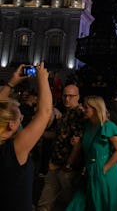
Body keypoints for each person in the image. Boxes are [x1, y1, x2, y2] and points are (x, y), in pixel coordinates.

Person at [0, 62, 53, 211]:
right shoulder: (13, 151)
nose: (22, 116)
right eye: (19, 116)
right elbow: (45, 112)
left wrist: (11, 82)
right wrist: (43, 78)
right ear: (11, 124)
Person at [66, 95, 117, 211]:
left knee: (104, 204)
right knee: (83, 203)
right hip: (90, 170)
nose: (83, 109)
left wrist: (105, 168)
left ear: (95, 108)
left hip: (105, 172)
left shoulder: (108, 126)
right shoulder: (88, 126)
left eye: (86, 107)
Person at [36, 84, 86, 211]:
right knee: (46, 199)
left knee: (71, 200)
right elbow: (58, 135)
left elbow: (78, 143)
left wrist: (69, 164)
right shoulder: (66, 113)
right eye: (65, 95)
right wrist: (36, 133)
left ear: (78, 97)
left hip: (68, 167)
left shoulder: (79, 114)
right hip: (56, 163)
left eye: (71, 96)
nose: (67, 99)